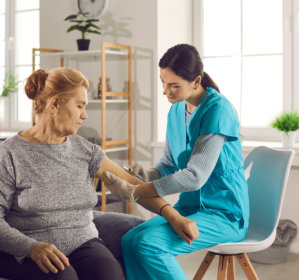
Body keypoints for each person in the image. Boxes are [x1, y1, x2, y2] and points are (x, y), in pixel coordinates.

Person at [104, 44, 249, 280]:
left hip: (224, 214)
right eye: (163, 81)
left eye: (173, 85)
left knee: (149, 244)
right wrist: (146, 175)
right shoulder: (176, 111)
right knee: (130, 240)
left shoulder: (218, 109)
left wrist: (137, 190)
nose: (165, 91)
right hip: (190, 208)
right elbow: (170, 164)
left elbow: (195, 176)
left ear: (196, 81)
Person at [0, 67, 147, 280]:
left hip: (82, 241)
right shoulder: (9, 153)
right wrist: (31, 247)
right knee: (64, 277)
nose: (84, 115)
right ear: (55, 104)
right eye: (79, 106)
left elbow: (134, 185)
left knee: (110, 275)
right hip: (29, 246)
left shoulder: (84, 149)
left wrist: (171, 214)